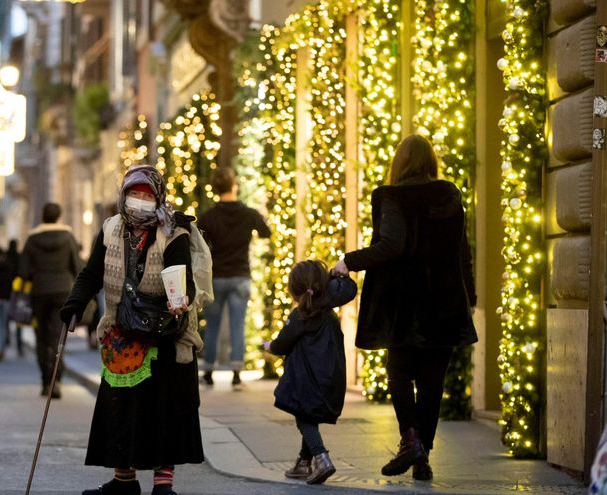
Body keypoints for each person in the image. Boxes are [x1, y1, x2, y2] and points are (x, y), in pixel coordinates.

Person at [332, 134, 477, 481]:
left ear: (400, 163)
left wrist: (347, 262)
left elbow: (391, 246)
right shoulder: (450, 195)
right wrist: (468, 297)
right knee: (431, 385)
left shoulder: (390, 196)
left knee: (398, 373)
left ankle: (410, 438)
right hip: (444, 305)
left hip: (404, 306)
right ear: (430, 162)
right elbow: (462, 251)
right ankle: (422, 457)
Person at [61, 165, 203, 495]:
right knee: (121, 408)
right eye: (134, 194)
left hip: (164, 333)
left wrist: (180, 298)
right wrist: (75, 304)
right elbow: (91, 273)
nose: (140, 201)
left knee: (162, 409)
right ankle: (123, 481)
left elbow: (184, 281)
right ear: (124, 195)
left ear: (159, 197)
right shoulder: (111, 229)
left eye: (147, 195)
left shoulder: (174, 232)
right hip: (122, 333)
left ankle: (163, 485)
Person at [265, 260, 357, 485]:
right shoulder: (329, 312)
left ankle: (321, 457)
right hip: (330, 379)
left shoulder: (301, 316)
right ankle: (303, 463)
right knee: (309, 414)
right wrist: (337, 277)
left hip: (307, 380)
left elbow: (283, 343)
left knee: (304, 418)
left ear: (295, 290)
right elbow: (349, 290)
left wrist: (270, 346)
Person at [197, 166, 270, 389]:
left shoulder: (209, 216)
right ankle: (237, 374)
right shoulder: (248, 213)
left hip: (216, 277)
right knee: (238, 324)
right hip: (240, 276)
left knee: (213, 325)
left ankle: (208, 370)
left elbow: (198, 243)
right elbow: (266, 233)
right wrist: (263, 214)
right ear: (234, 186)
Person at [19, 203, 82, 399]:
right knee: (57, 337)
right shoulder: (68, 237)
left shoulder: (32, 238)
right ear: (59, 216)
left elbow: (22, 270)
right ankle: (56, 380)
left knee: (41, 337)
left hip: (39, 291)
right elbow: (77, 266)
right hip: (63, 290)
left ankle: (45, 380)